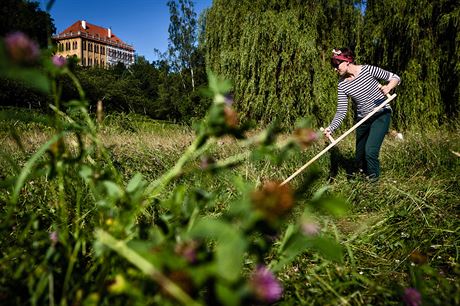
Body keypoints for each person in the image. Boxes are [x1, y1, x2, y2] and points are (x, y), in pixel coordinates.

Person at [323, 48, 400, 182]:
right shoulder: (342, 84)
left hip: (381, 113)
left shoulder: (368, 70)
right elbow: (341, 110)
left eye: (337, 64)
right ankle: (362, 179)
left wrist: (388, 87)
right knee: (359, 156)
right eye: (333, 66)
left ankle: (373, 185)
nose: (335, 69)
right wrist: (331, 128)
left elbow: (395, 77)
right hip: (363, 119)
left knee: (370, 152)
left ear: (347, 61)